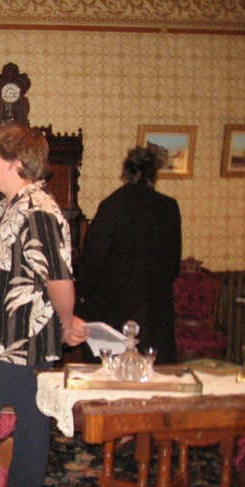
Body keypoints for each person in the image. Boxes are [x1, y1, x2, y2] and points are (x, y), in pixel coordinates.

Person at [0, 123, 87, 487]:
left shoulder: (39, 210)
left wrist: (67, 323)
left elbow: (59, 279)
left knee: (27, 431)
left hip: (25, 343)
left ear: (15, 164)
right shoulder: (9, 205)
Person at [76, 146, 181, 363]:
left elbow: (92, 260)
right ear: (154, 173)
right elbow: (173, 264)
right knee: (153, 374)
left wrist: (81, 299)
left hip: (112, 307)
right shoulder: (168, 207)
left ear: (126, 172)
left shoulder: (111, 205)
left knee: (112, 376)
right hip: (154, 308)